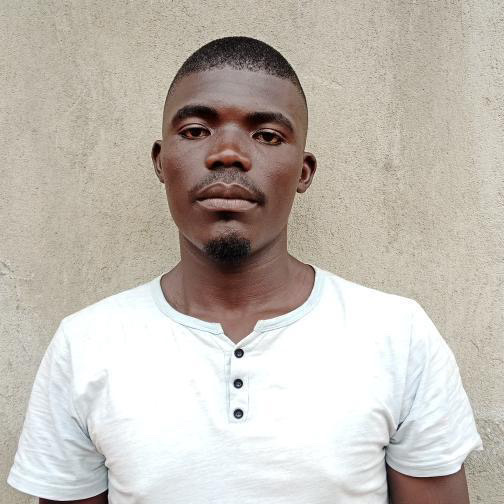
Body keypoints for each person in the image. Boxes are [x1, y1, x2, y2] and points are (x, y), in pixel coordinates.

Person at [8, 37, 482, 504]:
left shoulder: (398, 336)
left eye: (267, 135)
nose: (228, 153)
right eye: (196, 130)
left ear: (303, 172)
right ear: (160, 162)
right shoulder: (86, 345)